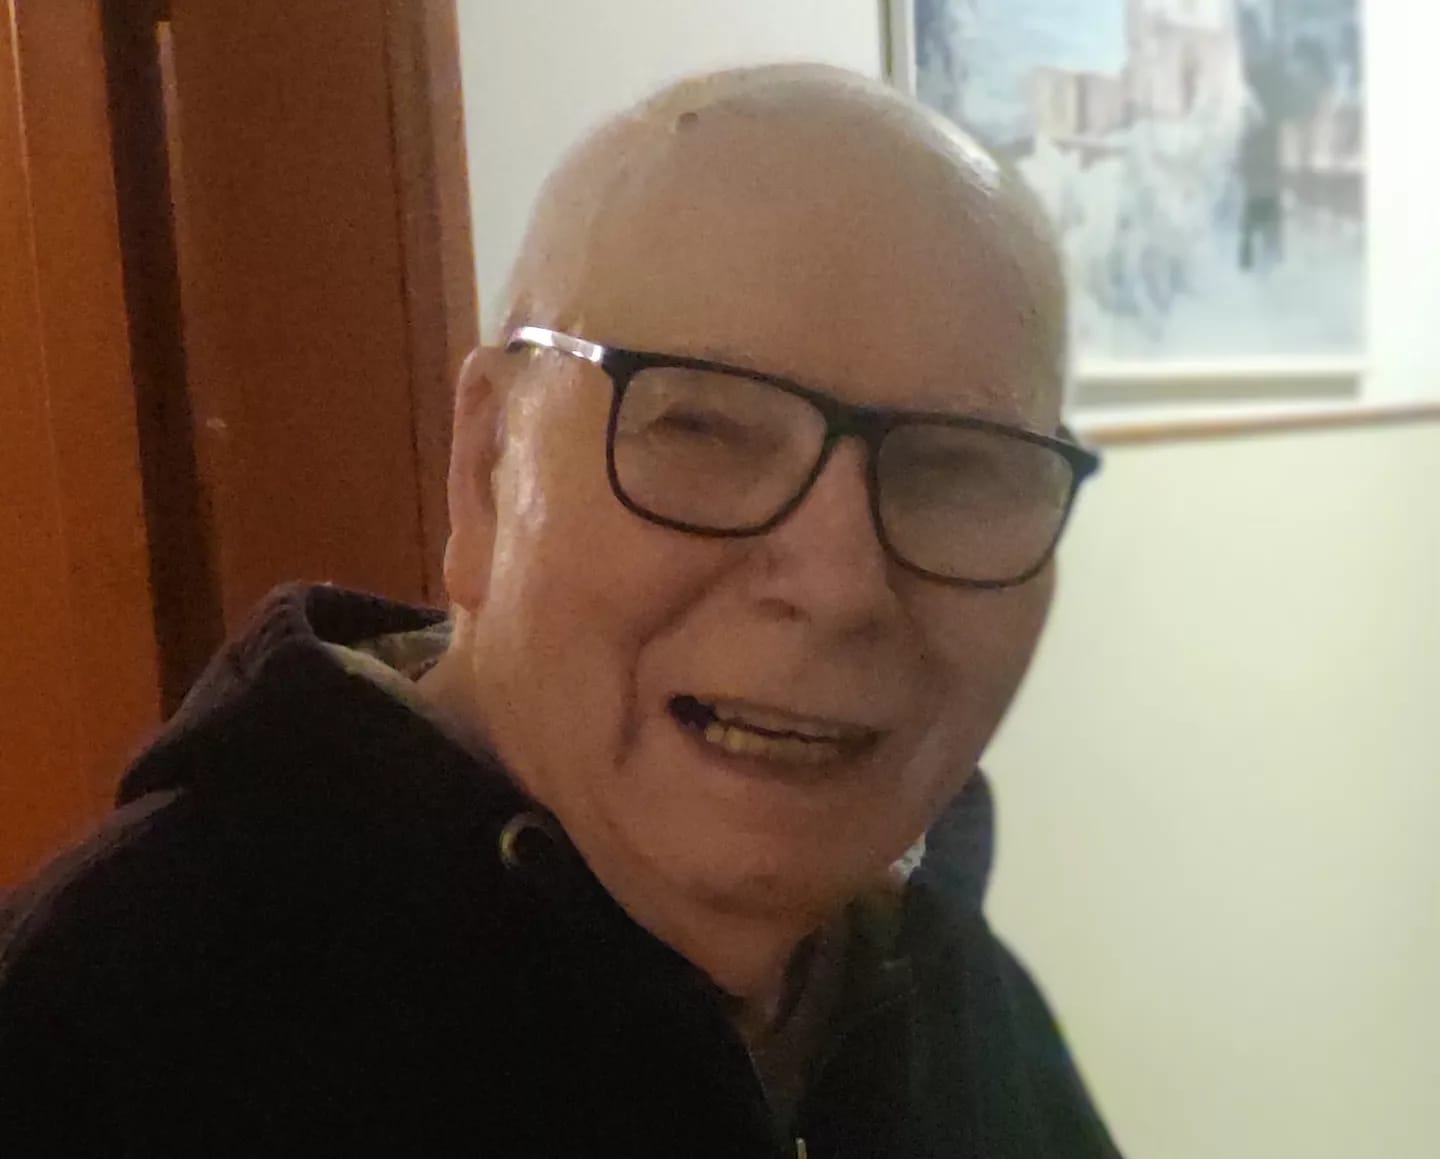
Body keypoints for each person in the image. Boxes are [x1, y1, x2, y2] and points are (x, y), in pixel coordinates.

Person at [0, 65, 1119, 1156]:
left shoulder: (944, 987)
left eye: (958, 467)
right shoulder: (100, 1039)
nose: (838, 587)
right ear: (489, 466)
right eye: (702, 429)